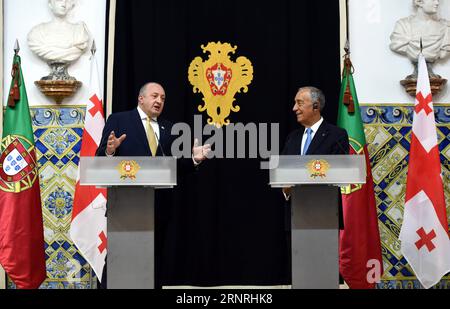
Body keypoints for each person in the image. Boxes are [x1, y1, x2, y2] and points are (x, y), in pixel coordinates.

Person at [96, 82, 210, 289]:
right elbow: (100, 158)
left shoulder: (167, 128)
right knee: (119, 261)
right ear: (141, 98)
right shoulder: (119, 120)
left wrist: (194, 159)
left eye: (163, 98)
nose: (159, 101)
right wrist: (110, 151)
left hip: (158, 209)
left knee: (153, 262)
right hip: (125, 208)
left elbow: (171, 167)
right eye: (155, 96)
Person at [281, 86, 349, 283]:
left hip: (324, 216)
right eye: (295, 103)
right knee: (300, 276)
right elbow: (284, 171)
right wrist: (286, 189)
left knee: (323, 277)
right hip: (295, 215)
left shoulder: (337, 135)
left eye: (299, 103)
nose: (294, 108)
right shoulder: (292, 138)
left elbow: (339, 169)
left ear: (316, 105)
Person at [27, 0, 90, 78]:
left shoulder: (79, 32)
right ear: (50, 4)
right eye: (59, 0)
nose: (64, 4)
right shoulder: (37, 33)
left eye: (67, 1)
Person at [390, 0, 450, 77]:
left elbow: (443, 54)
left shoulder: (445, 27)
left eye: (438, 0)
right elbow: (395, 45)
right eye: (433, 0)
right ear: (419, 2)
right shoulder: (403, 26)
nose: (437, 3)